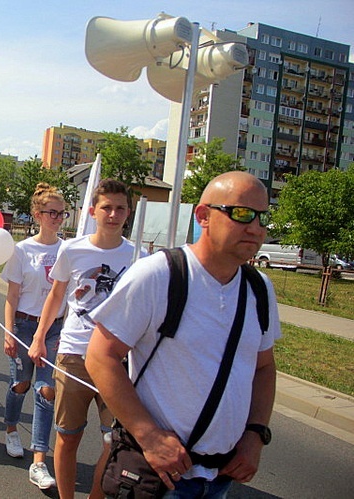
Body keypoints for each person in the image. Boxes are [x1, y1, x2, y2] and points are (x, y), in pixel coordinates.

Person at [85, 171, 281, 498]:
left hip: (220, 477)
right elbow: (100, 356)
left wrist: (255, 435)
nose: (256, 227)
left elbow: (263, 367)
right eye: (243, 213)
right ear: (203, 216)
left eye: (263, 218)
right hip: (157, 476)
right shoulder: (160, 275)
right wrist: (148, 436)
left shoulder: (259, 289)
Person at [28, 179, 145, 499]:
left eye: (120, 207)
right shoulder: (72, 250)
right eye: (106, 207)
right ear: (93, 211)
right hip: (74, 355)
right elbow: (56, 296)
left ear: (129, 212)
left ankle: (95, 495)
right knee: (67, 436)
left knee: (114, 441)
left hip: (118, 361)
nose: (113, 214)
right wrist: (39, 336)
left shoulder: (139, 256)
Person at [1, 183, 67, 490]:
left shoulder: (67, 249)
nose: (57, 218)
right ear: (37, 215)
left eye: (61, 213)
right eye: (51, 213)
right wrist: (8, 331)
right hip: (25, 326)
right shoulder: (22, 250)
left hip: (54, 328)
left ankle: (39, 460)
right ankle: (11, 428)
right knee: (21, 383)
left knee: (45, 390)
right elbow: (12, 295)